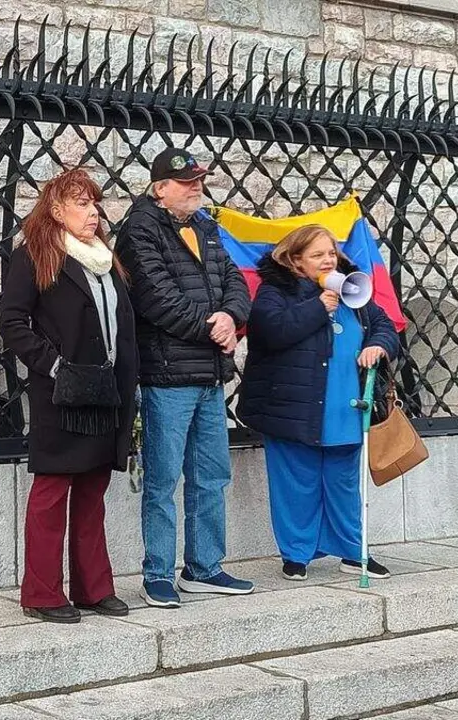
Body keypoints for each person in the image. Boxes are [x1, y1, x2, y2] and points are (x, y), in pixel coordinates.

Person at [115, 148, 254, 608]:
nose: (196, 187)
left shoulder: (206, 226)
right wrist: (212, 327)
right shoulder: (139, 229)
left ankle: (204, 567)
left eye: (199, 180)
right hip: (168, 375)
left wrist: (232, 316)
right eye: (186, 181)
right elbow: (155, 298)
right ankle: (157, 573)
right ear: (160, 188)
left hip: (210, 373)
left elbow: (235, 281)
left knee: (211, 475)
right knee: (162, 480)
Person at [0, 168, 138, 624]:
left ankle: (93, 588)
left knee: (93, 488)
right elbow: (13, 323)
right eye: (81, 204)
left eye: (95, 204)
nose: (92, 213)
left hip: (107, 390)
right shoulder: (35, 256)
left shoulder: (105, 258)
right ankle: (41, 592)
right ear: (56, 210)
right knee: (53, 489)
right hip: (61, 392)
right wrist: (55, 365)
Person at [237, 224, 402, 581]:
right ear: (296, 261)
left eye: (331, 253)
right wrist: (317, 307)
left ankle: (353, 550)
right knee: (296, 481)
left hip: (346, 405)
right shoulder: (274, 292)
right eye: (318, 255)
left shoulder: (352, 289)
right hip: (293, 407)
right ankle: (297, 554)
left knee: (343, 483)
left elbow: (383, 325)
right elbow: (272, 331)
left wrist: (380, 345)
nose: (329, 260)